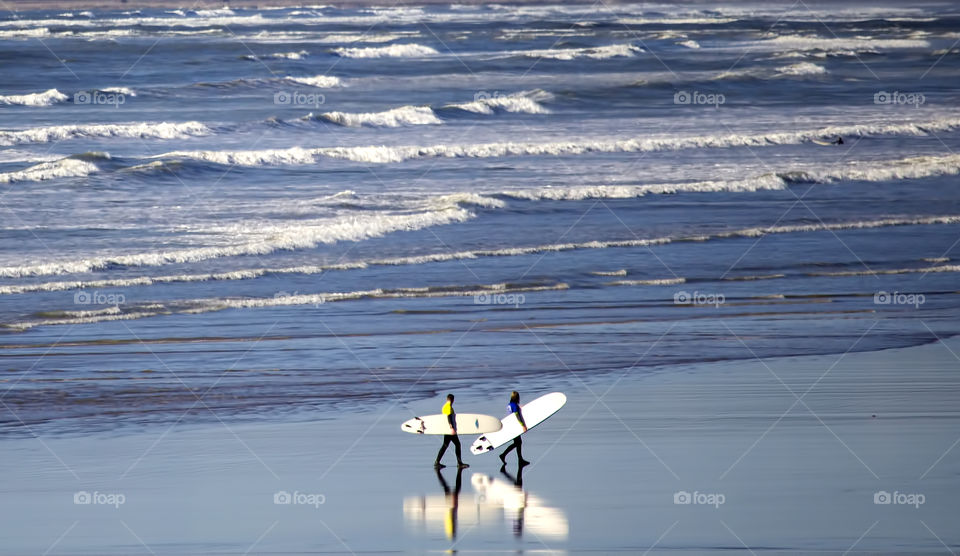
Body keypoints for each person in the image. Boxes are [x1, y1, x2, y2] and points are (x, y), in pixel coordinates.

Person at [435, 394, 468, 469]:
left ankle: (437, 462)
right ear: (452, 400)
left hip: (447, 430)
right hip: (450, 430)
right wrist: (452, 427)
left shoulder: (444, 407)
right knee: (457, 445)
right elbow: (449, 417)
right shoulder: (448, 407)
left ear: (447, 399)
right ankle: (459, 463)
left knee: (445, 445)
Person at [499, 391, 530, 466]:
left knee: (518, 443)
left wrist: (520, 408)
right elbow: (517, 416)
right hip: (515, 426)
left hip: (511, 426)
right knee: (518, 442)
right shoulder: (515, 406)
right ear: (517, 397)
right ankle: (503, 455)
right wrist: (523, 425)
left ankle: (520, 459)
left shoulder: (509, 405)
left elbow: (513, 412)